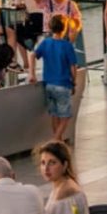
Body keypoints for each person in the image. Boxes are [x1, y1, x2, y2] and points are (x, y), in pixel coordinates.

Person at [35, 12, 83, 143]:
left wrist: (32, 73)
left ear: (50, 27)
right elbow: (73, 67)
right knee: (66, 116)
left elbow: (34, 55)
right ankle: (55, 139)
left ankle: (58, 140)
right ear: (65, 28)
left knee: (54, 114)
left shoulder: (45, 43)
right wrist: (74, 83)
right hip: (63, 84)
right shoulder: (67, 46)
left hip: (49, 84)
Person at [35, 142, 89, 214]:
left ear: (65, 165)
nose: (46, 168)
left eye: (52, 163)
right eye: (43, 163)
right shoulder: (63, 184)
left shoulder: (64, 192)